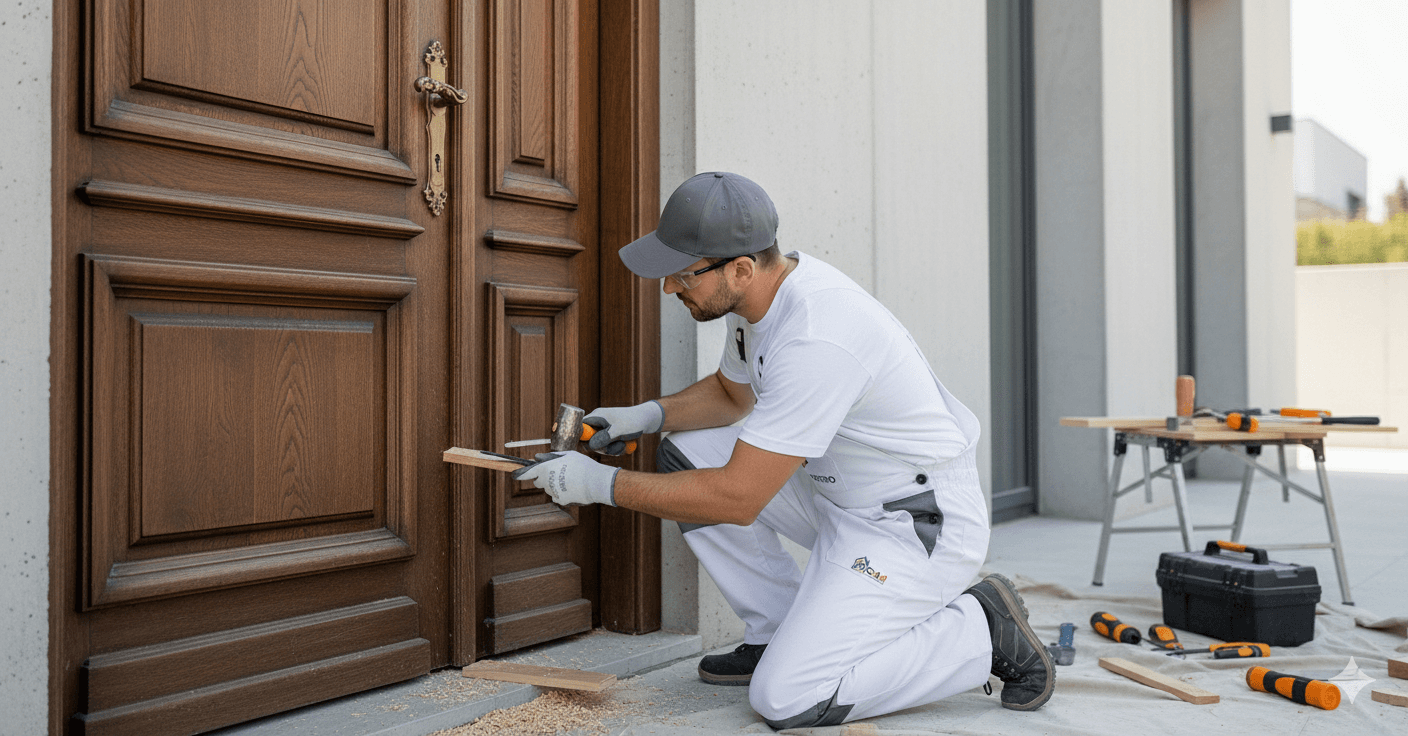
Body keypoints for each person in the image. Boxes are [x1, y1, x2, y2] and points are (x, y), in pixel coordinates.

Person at [513, 172, 1054, 728]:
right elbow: (730, 395)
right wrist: (648, 415)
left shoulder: (818, 336)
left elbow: (738, 498)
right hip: (836, 492)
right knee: (687, 451)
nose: (670, 289)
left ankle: (977, 628)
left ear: (741, 269)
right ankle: (774, 631)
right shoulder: (761, 304)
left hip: (911, 526)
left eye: (682, 275)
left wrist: (599, 485)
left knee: (789, 698)